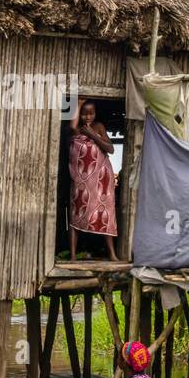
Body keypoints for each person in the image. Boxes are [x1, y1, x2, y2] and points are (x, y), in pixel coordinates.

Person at [68, 98, 118, 261]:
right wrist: (79, 104)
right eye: (84, 114)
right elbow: (71, 127)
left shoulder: (99, 127)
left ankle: (112, 254)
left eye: (91, 113)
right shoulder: (78, 129)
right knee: (77, 212)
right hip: (83, 181)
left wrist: (92, 135)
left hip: (101, 180)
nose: (88, 117)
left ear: (95, 114)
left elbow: (110, 149)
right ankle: (74, 256)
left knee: (106, 214)